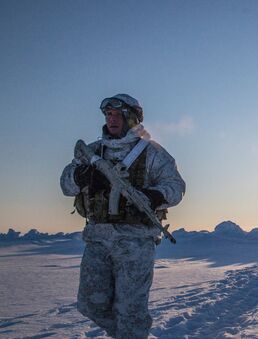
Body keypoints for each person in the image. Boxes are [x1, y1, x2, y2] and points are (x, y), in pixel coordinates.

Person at [60, 94, 186, 338]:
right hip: (97, 239)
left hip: (135, 241)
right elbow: (65, 185)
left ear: (132, 118)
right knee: (89, 304)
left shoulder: (152, 153)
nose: (112, 119)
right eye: (108, 114)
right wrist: (81, 176)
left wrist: (153, 196)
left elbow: (176, 186)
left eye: (118, 114)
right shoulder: (92, 151)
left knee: (131, 311)